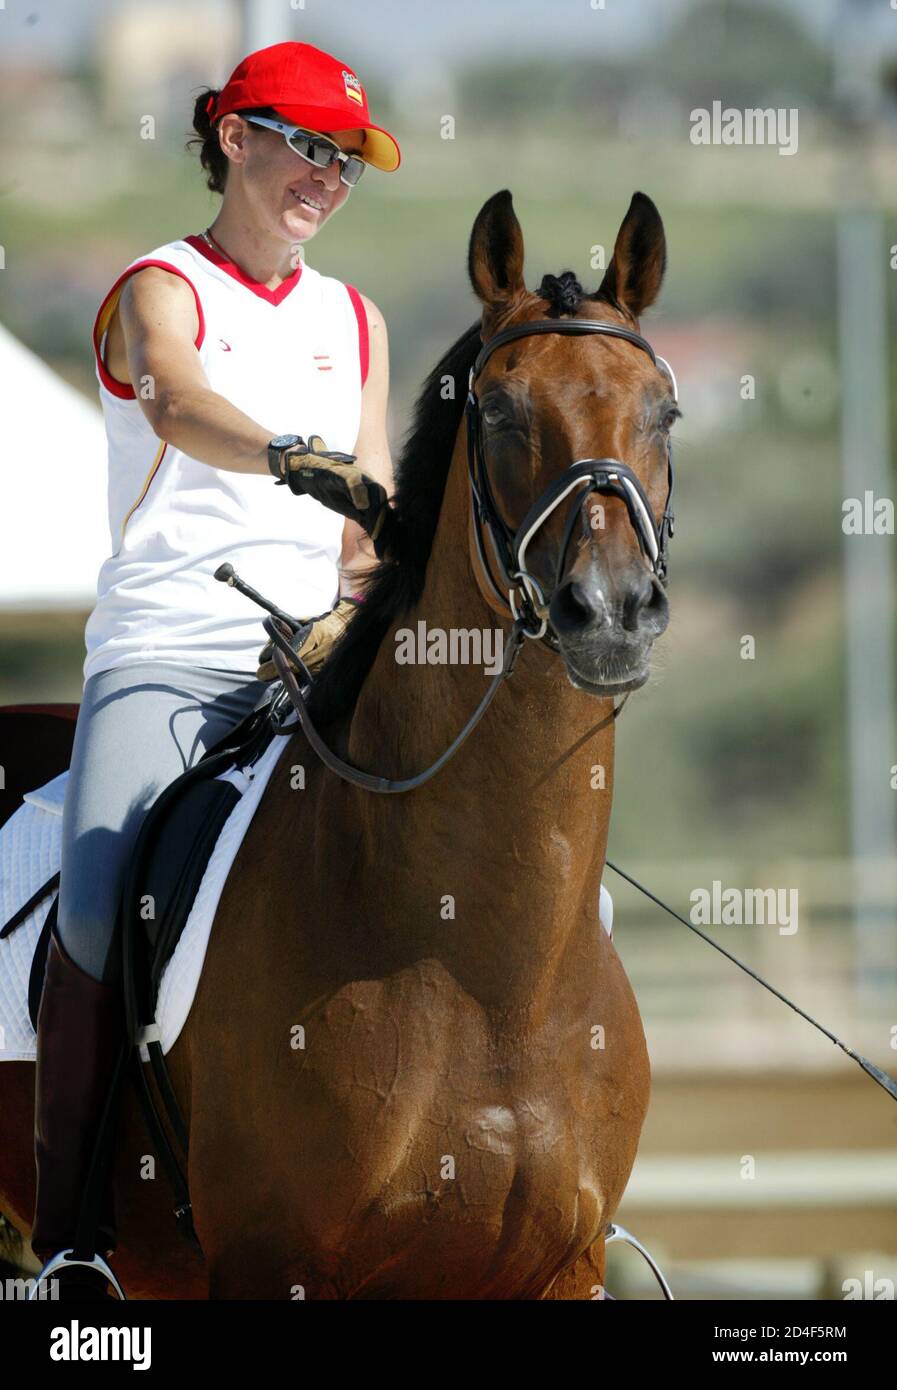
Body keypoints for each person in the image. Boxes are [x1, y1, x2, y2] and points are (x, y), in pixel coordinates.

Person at [31, 40, 399, 1298]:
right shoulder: (158, 286)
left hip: (312, 666)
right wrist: (297, 456)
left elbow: (373, 512)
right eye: (306, 145)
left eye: (344, 159)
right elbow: (178, 403)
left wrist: (374, 592)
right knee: (93, 910)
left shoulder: (358, 319)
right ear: (234, 137)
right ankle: (74, 1236)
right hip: (171, 657)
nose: (327, 176)